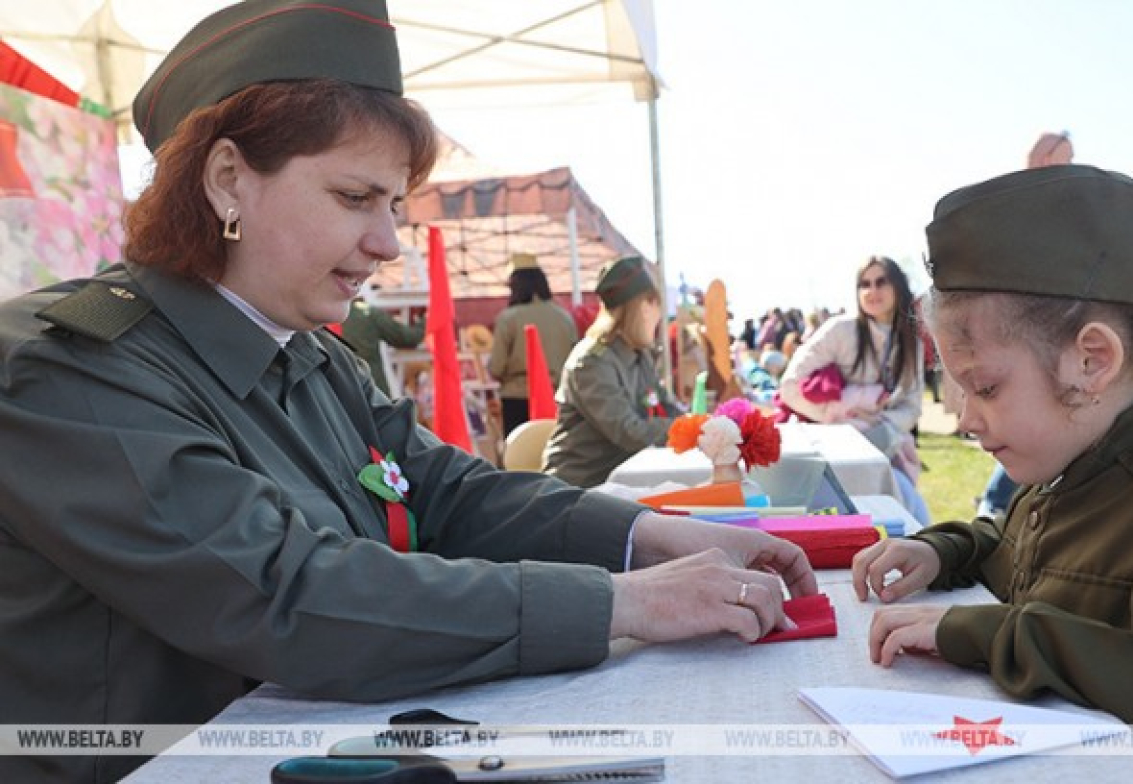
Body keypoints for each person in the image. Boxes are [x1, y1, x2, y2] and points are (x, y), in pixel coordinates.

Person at [0, 3, 814, 782]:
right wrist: (620, 602)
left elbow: (449, 493)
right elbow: (290, 594)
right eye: (354, 198)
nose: (387, 242)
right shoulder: (69, 369)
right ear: (225, 181)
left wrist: (652, 538)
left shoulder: (310, 357)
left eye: (393, 205)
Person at [854, 165, 1133, 784]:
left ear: (1091, 361)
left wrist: (995, 636)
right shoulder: (1066, 471)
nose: (965, 419)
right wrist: (942, 552)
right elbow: (1011, 551)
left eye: (984, 386)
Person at [780, 256, 929, 525]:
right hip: (829, 451)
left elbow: (912, 404)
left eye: (881, 282)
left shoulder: (912, 340)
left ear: (898, 286)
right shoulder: (840, 330)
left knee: (913, 516)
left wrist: (882, 427)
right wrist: (843, 417)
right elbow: (790, 386)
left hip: (887, 445)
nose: (872, 291)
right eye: (864, 284)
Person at [974, 130, 1077, 520]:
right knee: (1024, 430)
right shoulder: (1014, 211)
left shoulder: (1068, 216)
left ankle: (1003, 512)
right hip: (1019, 342)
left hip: (1055, 339)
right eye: (1060, 158)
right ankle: (994, 512)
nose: (1066, 168)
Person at [543, 255, 683, 487]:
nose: (659, 316)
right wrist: (686, 428)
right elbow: (628, 432)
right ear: (641, 307)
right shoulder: (591, 362)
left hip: (620, 480)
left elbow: (665, 406)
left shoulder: (640, 355)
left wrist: (697, 424)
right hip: (579, 485)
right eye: (655, 304)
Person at [487, 252, 579, 437]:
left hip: (517, 400)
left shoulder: (508, 319)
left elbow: (496, 367)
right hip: (558, 399)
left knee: (519, 459)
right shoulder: (564, 318)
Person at [339, 291, 424, 395]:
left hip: (338, 393)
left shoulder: (322, 316)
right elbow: (407, 338)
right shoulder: (367, 312)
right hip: (372, 392)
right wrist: (426, 320)